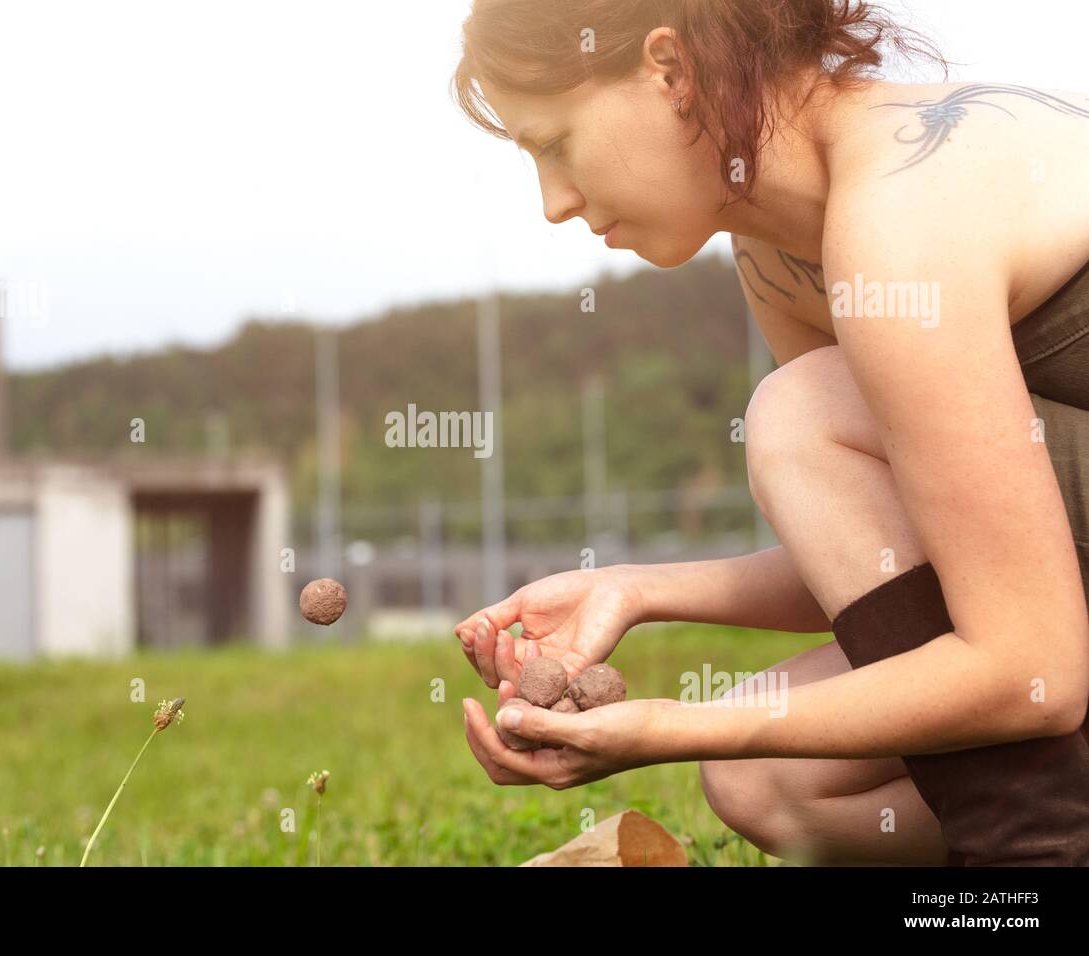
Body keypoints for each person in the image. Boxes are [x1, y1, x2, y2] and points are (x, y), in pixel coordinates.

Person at [450, 0, 1089, 865]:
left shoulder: (897, 221)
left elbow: (1027, 669)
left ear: (670, 72)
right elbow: (902, 548)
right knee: (770, 782)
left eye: (554, 144)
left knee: (800, 413)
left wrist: (671, 725)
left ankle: (1028, 865)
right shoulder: (779, 254)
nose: (554, 203)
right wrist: (639, 591)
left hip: (1048, 656)